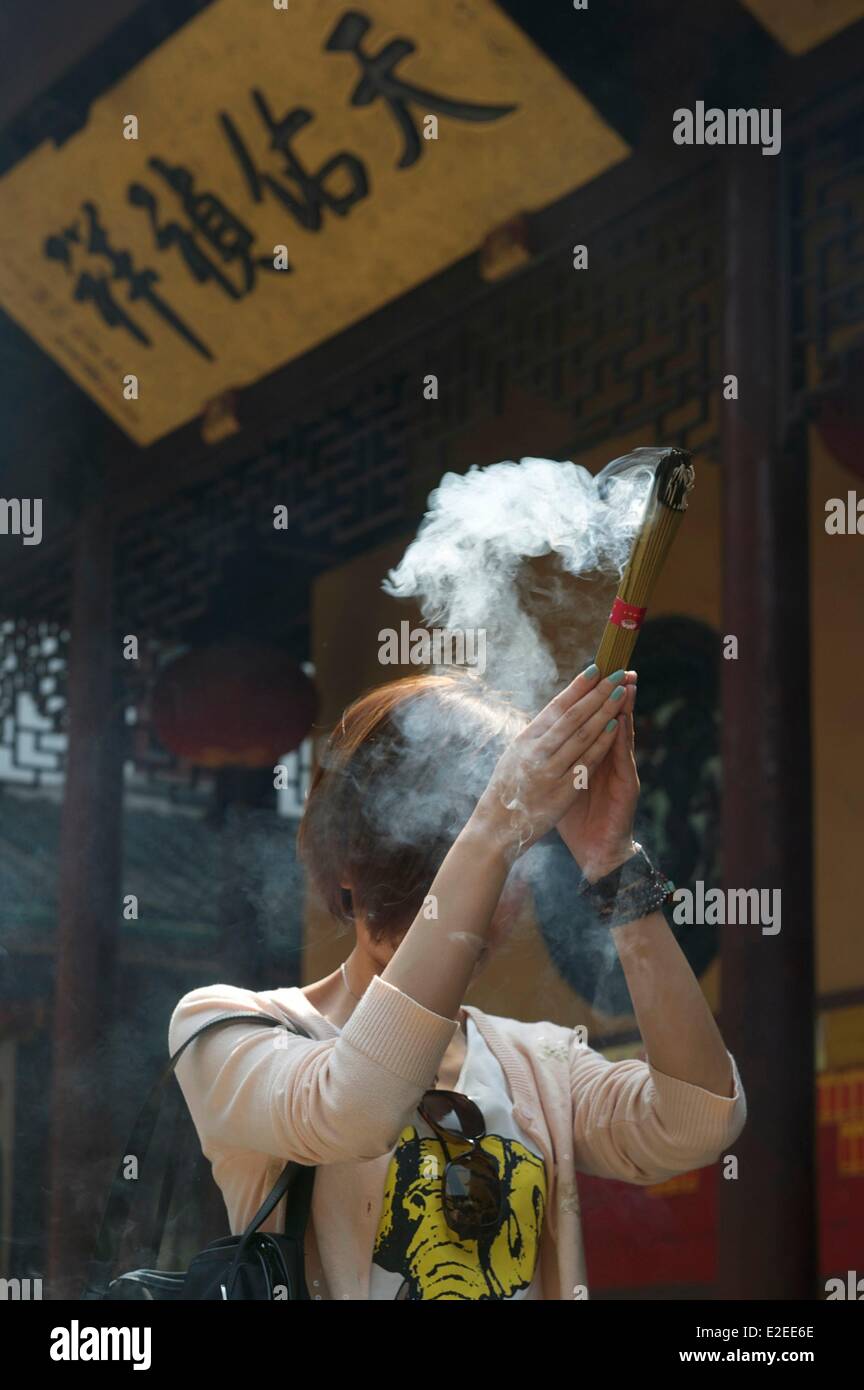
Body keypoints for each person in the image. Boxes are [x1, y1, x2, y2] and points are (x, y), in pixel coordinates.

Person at [169, 663, 746, 1300]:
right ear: (347, 860)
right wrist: (495, 827)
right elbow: (356, 1107)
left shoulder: (540, 1063)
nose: (490, 899)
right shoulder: (225, 1026)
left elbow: (697, 1122)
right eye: (448, 854)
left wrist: (613, 864)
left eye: (513, 864)